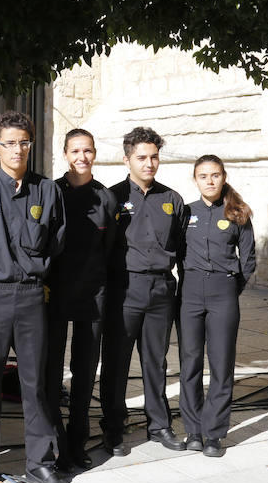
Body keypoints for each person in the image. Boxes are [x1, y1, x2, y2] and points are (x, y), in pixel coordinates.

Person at [0, 111, 72, 483]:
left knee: (35, 384)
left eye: (24, 142)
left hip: (30, 296)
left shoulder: (46, 191)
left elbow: (56, 240)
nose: (18, 149)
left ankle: (41, 462)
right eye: (10, 142)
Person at [100, 126, 186, 456]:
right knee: (116, 362)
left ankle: (160, 425)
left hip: (161, 290)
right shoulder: (112, 197)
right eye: (142, 158)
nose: (149, 163)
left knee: (156, 361)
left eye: (154, 157)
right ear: (127, 159)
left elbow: (181, 246)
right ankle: (113, 428)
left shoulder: (172, 199)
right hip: (125, 289)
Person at [47, 129, 117, 470]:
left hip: (93, 293)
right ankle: (56, 442)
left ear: (94, 154)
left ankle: (78, 440)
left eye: (88, 150)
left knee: (85, 370)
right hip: (56, 293)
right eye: (76, 150)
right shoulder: (52, 193)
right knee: (51, 370)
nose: (82, 157)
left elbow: (110, 249)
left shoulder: (105, 197)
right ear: (65, 154)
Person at [178, 155, 256, 457]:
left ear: (223, 177)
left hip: (223, 292)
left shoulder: (238, 213)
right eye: (203, 176)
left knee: (221, 364)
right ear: (195, 179)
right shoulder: (186, 212)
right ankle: (193, 430)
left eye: (214, 175)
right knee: (190, 363)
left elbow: (248, 259)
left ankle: (214, 433)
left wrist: (230, 287)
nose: (209, 181)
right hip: (190, 292)